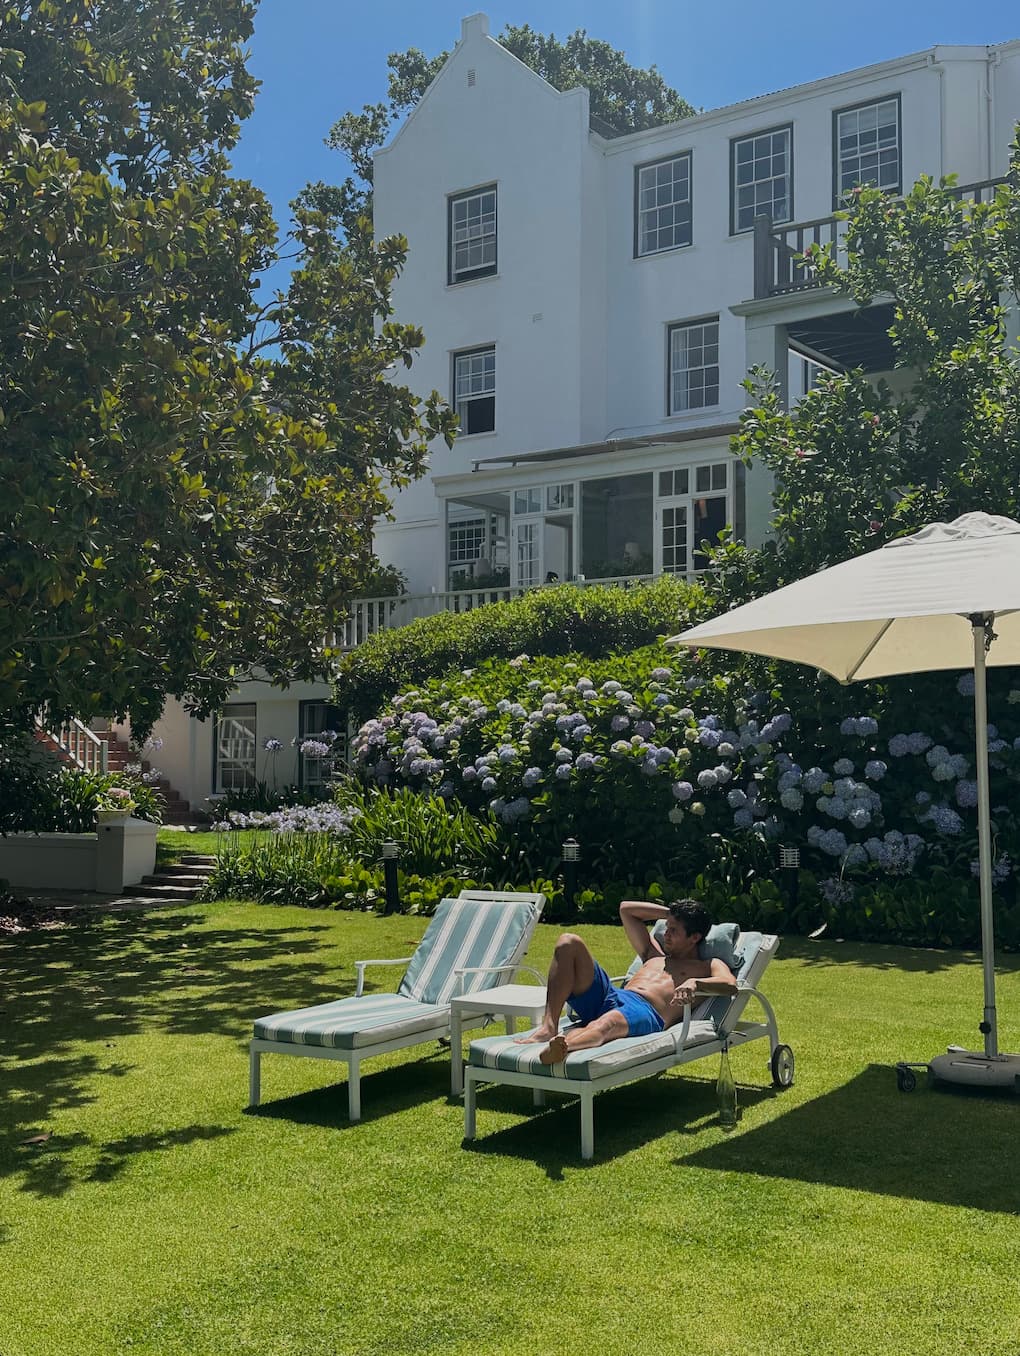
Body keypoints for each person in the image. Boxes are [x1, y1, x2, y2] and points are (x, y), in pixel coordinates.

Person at [518, 898, 737, 1065]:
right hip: (614, 995)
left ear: (695, 937)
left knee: (606, 1022)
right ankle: (549, 1027)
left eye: (674, 931)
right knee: (568, 942)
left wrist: (696, 984)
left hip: (648, 1012)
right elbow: (626, 909)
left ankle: (564, 1046)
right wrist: (673, 913)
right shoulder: (654, 954)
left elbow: (730, 985)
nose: (666, 934)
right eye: (666, 928)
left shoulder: (707, 966)